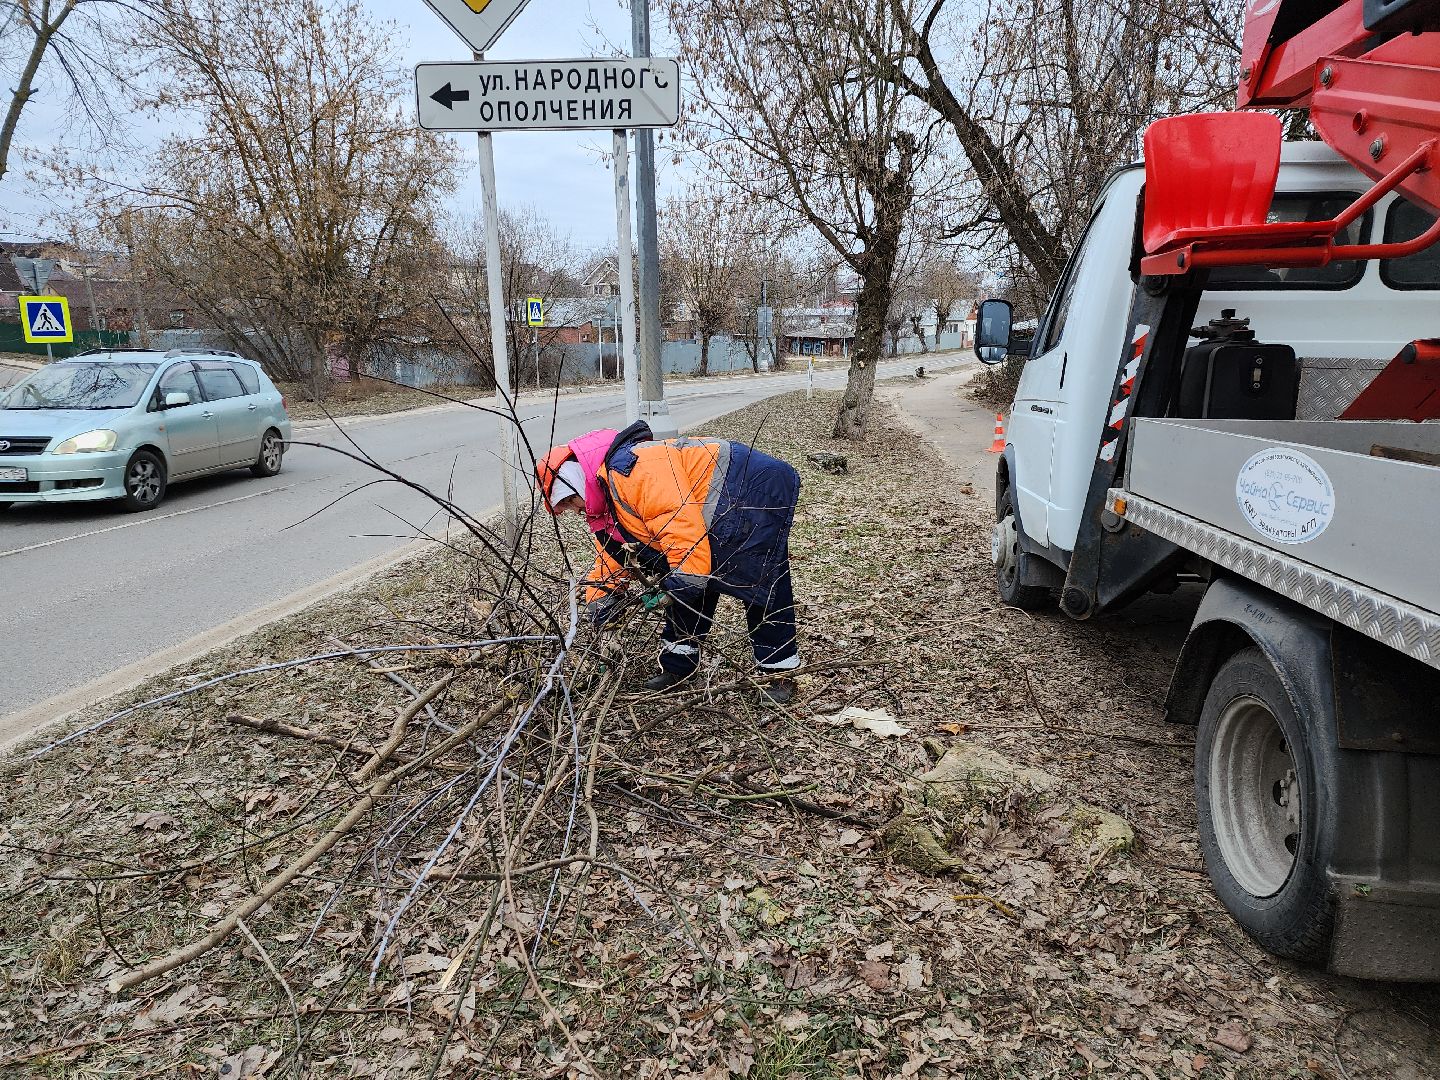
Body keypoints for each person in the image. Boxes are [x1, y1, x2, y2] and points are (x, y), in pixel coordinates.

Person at [536, 420, 802, 703]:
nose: (570, 512)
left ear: (574, 483)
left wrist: (673, 588)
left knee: (759, 582)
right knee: (686, 576)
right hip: (709, 513)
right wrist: (601, 599)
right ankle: (679, 667)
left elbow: (685, 542)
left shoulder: (634, 471)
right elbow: (617, 553)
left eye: (566, 502)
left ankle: (778, 674)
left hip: (749, 493)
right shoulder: (607, 495)